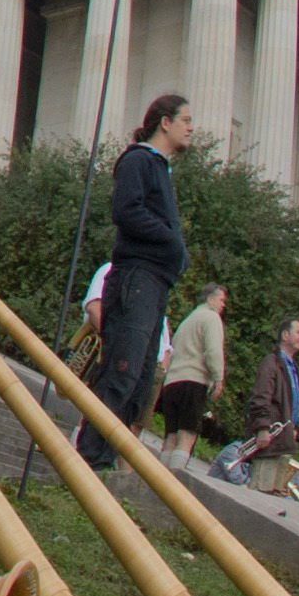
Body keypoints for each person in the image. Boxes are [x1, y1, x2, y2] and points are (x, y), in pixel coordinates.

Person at [75, 91, 193, 472]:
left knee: (141, 380)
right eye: (186, 120)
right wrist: (170, 239)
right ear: (165, 122)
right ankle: (90, 458)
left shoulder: (160, 168)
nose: (191, 129)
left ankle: (106, 456)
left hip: (155, 282)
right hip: (136, 277)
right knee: (121, 371)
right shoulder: (139, 161)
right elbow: (127, 211)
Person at [220, 314, 299, 486]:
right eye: (298, 332)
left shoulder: (293, 368)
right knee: (262, 487)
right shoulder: (272, 362)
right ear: (285, 335)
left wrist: (295, 428)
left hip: (284, 441)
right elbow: (261, 396)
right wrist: (263, 427)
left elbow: (293, 403)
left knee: (274, 493)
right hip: (270, 440)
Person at [159, 281, 228, 471]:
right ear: (211, 298)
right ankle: (174, 480)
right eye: (222, 300)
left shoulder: (187, 321)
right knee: (187, 434)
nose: (223, 305)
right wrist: (218, 378)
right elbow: (213, 351)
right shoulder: (211, 318)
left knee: (171, 435)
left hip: (173, 382)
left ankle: (158, 477)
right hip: (194, 380)